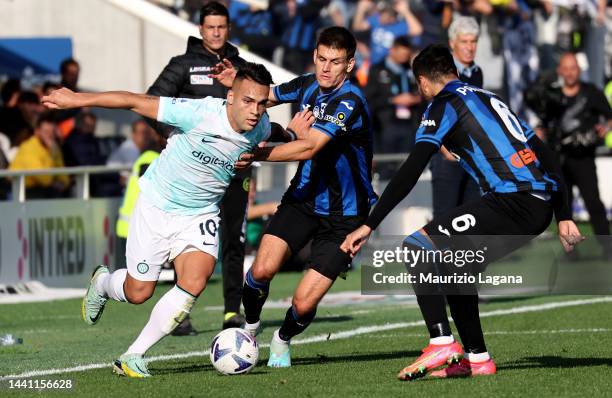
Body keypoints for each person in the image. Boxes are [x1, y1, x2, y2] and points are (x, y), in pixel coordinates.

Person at [42, 62, 302, 378]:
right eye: (248, 101)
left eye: (262, 103)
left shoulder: (259, 125)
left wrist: (289, 133)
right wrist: (77, 99)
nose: (256, 111)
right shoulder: (198, 113)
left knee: (194, 280)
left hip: (200, 213)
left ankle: (132, 356)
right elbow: (133, 101)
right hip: (157, 206)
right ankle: (102, 282)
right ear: (230, 97)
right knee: (139, 292)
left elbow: (271, 132)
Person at [341, 45, 583, 381]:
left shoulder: (443, 104)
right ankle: (478, 359)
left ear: (423, 81)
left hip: (514, 201)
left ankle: (441, 341)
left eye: (418, 84)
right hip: (536, 203)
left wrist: (369, 224)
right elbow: (543, 151)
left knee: (418, 245)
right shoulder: (487, 97)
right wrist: (564, 213)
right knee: (458, 263)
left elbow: (412, 168)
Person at [214, 26, 377, 368]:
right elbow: (267, 94)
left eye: (335, 61)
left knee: (303, 304)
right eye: (321, 59)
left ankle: (281, 339)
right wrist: (237, 83)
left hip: (345, 217)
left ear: (350, 64)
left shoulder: (350, 102)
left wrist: (258, 154)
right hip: (302, 199)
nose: (325, 68)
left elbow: (310, 145)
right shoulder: (306, 84)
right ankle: (251, 327)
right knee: (260, 270)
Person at [147, 1, 251, 332]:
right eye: (211, 27)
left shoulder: (242, 66)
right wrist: (167, 137)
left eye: (222, 27)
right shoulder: (183, 65)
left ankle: (231, 312)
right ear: (200, 29)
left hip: (234, 168)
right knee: (184, 240)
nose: (217, 32)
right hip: (193, 173)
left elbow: (258, 107)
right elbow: (152, 100)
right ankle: (181, 313)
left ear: (228, 29)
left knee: (234, 238)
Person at [534, 53, 612, 259]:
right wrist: (540, 132)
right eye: (565, 68)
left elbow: (609, 118)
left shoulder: (592, 92)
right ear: (560, 70)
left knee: (593, 203)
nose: (569, 72)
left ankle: (607, 247)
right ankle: (571, 251)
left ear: (579, 70)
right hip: (558, 159)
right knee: (563, 207)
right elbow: (543, 123)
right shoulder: (552, 95)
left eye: (573, 68)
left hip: (583, 158)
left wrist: (602, 130)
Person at [430, 16, 481, 219]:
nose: (470, 47)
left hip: (470, 155)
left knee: (470, 219)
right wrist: (445, 151)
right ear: (452, 43)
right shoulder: (441, 73)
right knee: (445, 220)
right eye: (464, 41)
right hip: (447, 157)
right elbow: (430, 114)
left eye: (473, 41)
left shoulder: (476, 73)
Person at [364, 35, 421, 154]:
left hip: (410, 124)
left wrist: (415, 99)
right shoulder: (377, 70)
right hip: (386, 124)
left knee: (406, 164)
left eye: (406, 55)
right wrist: (393, 100)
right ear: (392, 50)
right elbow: (369, 100)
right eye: (401, 54)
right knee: (387, 166)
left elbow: (422, 93)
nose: (404, 58)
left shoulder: (411, 70)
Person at [9, 114, 69, 199]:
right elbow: (45, 179)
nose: (50, 136)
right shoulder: (29, 147)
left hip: (40, 190)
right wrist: (52, 155)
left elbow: (64, 178)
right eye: (46, 132)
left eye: (52, 132)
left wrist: (62, 183)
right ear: (37, 131)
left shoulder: (53, 147)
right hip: (19, 191)